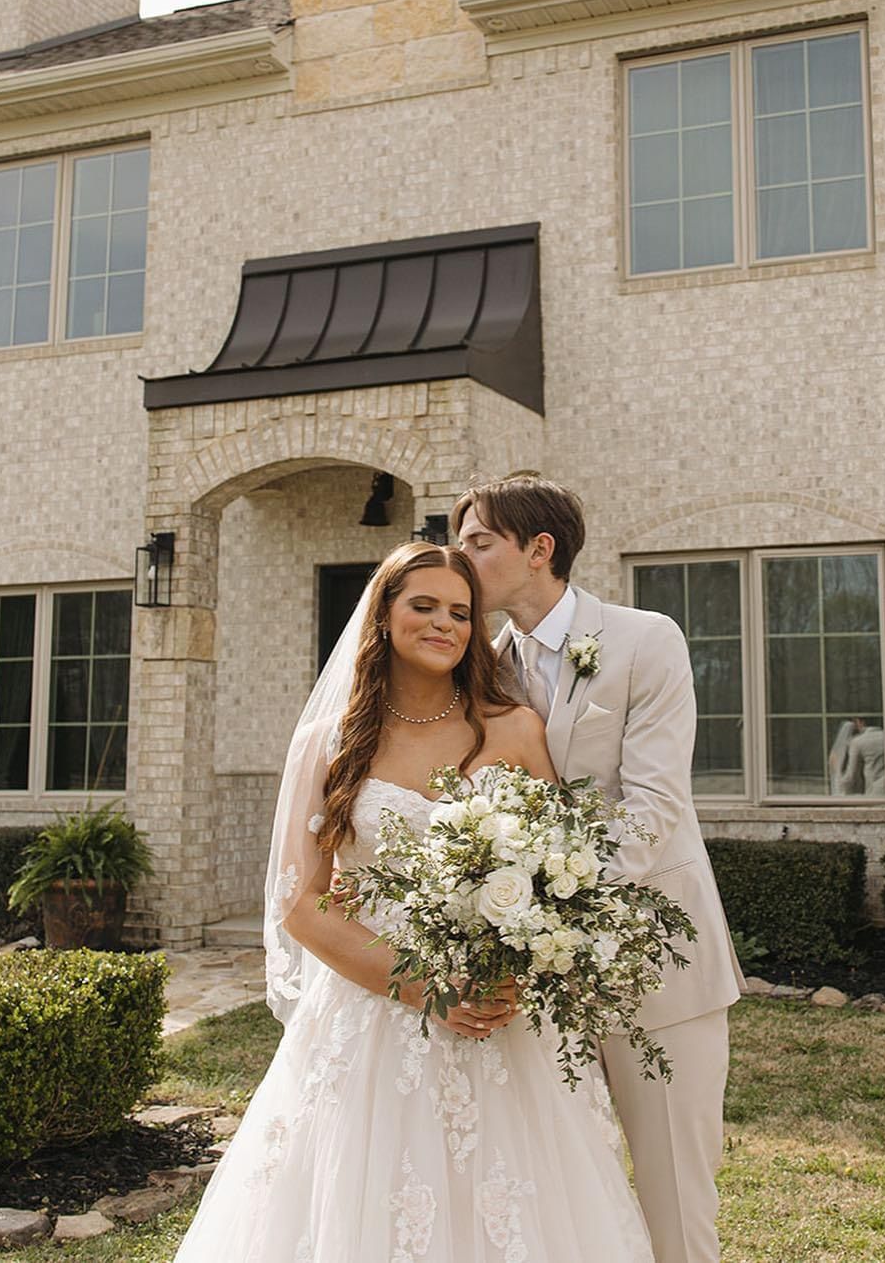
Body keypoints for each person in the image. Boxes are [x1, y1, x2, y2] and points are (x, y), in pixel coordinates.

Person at [172, 541, 654, 1263]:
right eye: (423, 605)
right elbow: (302, 903)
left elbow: (565, 877)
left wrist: (516, 972)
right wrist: (426, 987)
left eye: (460, 612)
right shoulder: (328, 743)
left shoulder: (514, 729)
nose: (444, 624)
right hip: (374, 1016)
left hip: (500, 1018)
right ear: (383, 616)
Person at [453, 479, 745, 1263]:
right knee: (567, 1203)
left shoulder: (646, 639)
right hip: (539, 988)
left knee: (675, 1202)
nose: (462, 557)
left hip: (658, 964)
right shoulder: (480, 669)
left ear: (539, 549)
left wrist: (537, 908)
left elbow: (652, 810)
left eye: (479, 541)